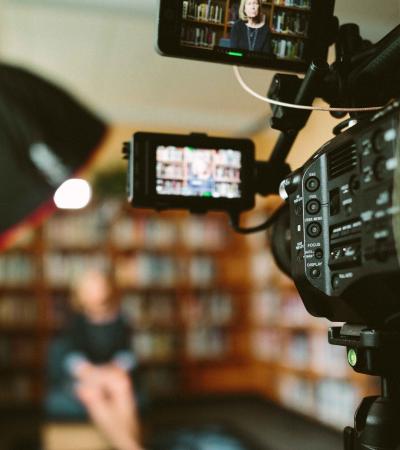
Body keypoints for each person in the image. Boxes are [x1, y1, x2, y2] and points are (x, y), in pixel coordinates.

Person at [45, 269, 143, 450]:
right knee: (92, 394)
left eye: (98, 286)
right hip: (85, 376)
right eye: (89, 288)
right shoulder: (74, 321)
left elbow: (127, 354)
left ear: (106, 289)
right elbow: (70, 356)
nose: (95, 292)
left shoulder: (120, 318)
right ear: (80, 294)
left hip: (113, 373)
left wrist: (114, 369)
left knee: (121, 385)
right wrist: (91, 372)